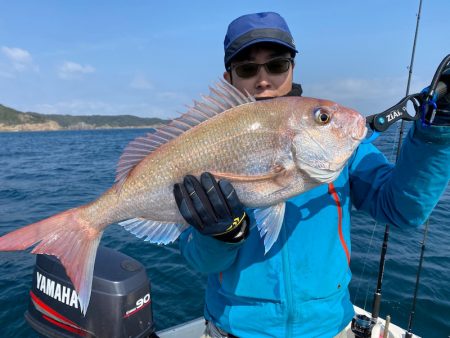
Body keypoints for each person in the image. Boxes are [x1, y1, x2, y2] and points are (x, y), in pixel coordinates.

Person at [174, 12, 450, 338]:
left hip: (327, 328)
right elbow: (200, 261)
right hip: (235, 329)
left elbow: (403, 209)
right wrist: (219, 236)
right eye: (247, 69)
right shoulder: (204, 147)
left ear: (292, 67)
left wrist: (436, 129)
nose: (263, 80)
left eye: (276, 65)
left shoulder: (338, 147)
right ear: (229, 78)